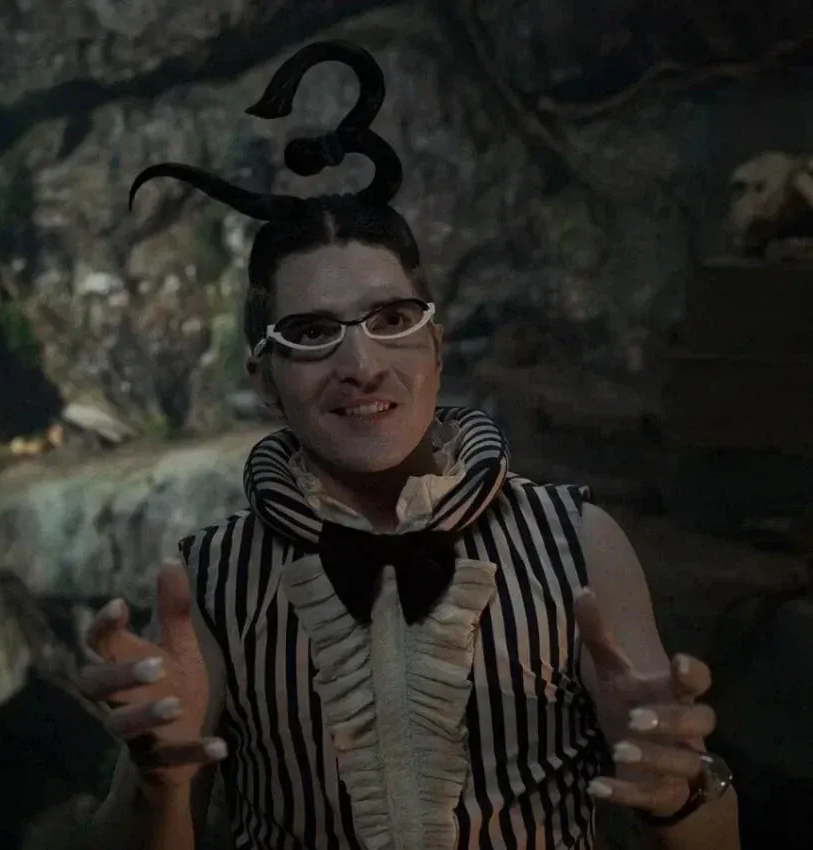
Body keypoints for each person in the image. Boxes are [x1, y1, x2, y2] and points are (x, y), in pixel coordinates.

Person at [78, 41, 740, 850]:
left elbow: (713, 834)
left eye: (393, 320)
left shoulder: (580, 543)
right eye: (311, 333)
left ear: (435, 346)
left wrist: (677, 790)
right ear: (265, 380)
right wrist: (158, 783)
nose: (362, 364)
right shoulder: (212, 580)